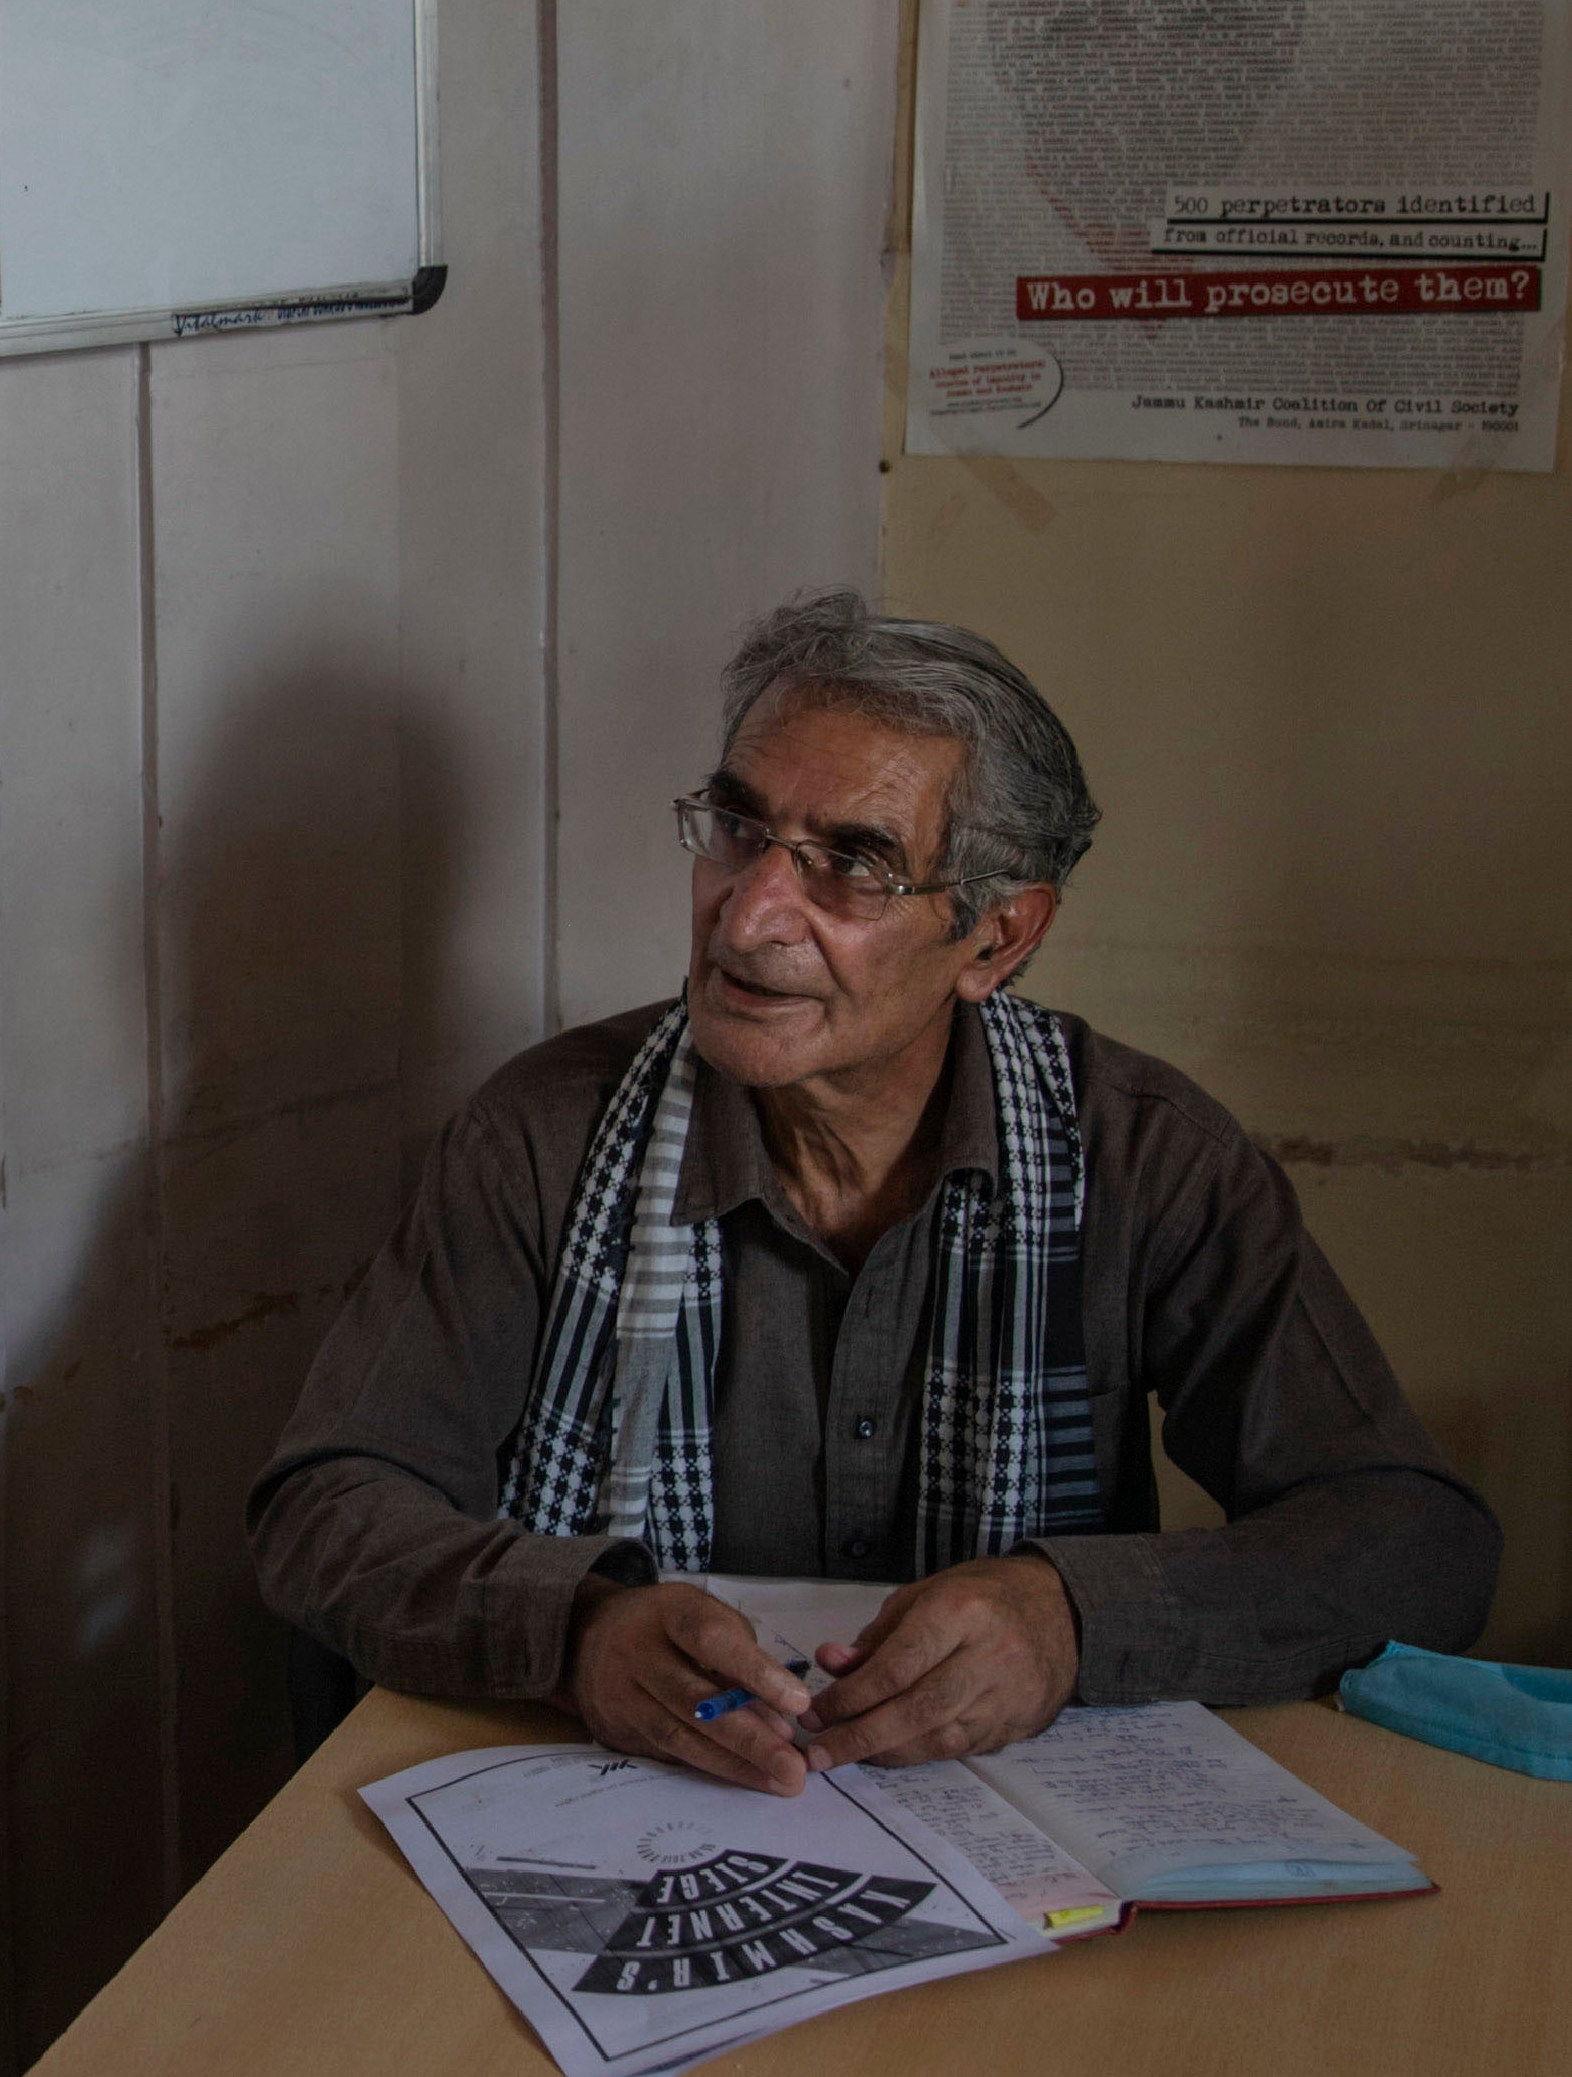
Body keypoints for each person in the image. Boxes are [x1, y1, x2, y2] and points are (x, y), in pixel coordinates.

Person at [252, 591, 1494, 1796]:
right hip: (636, 1820)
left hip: (1016, 1841)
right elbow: (327, 1504)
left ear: (998, 938)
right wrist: (575, 1627)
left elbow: (1410, 1540)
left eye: (852, 864)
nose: (747, 914)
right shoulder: (549, 1134)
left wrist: (1073, 1616)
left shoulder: (1140, 1156)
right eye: (737, 829)